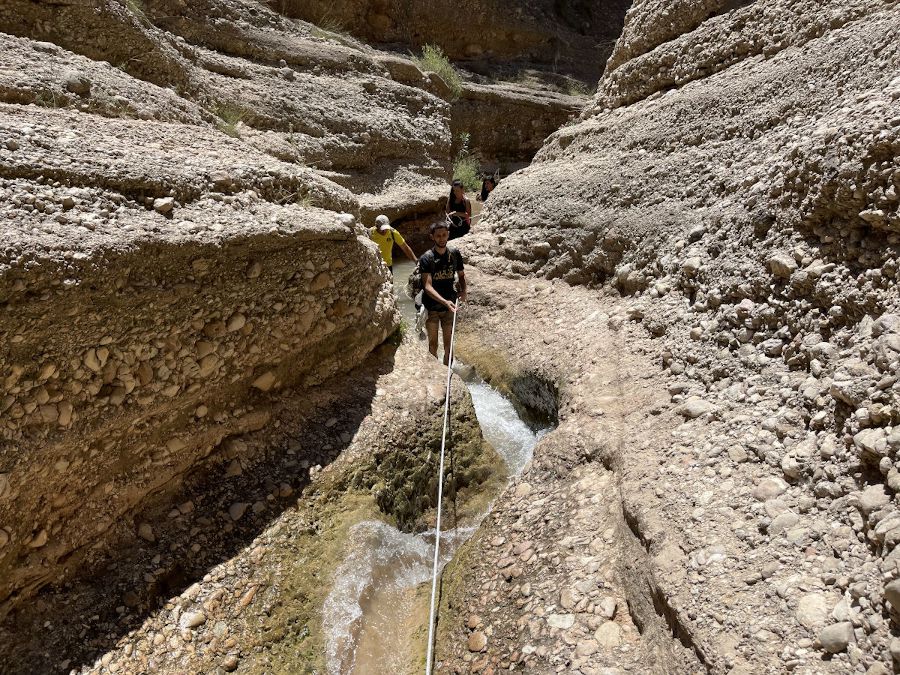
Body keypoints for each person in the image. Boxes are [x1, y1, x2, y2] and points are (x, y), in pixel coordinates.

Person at [420, 220, 467, 364]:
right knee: (433, 344)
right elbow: (427, 286)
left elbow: (461, 275)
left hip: (450, 306)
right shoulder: (426, 258)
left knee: (449, 345)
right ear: (432, 237)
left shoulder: (454, 254)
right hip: (432, 307)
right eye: (438, 236)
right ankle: (435, 374)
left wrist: (464, 290)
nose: (442, 238)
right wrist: (445, 302)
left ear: (448, 235)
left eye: (444, 235)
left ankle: (447, 371)